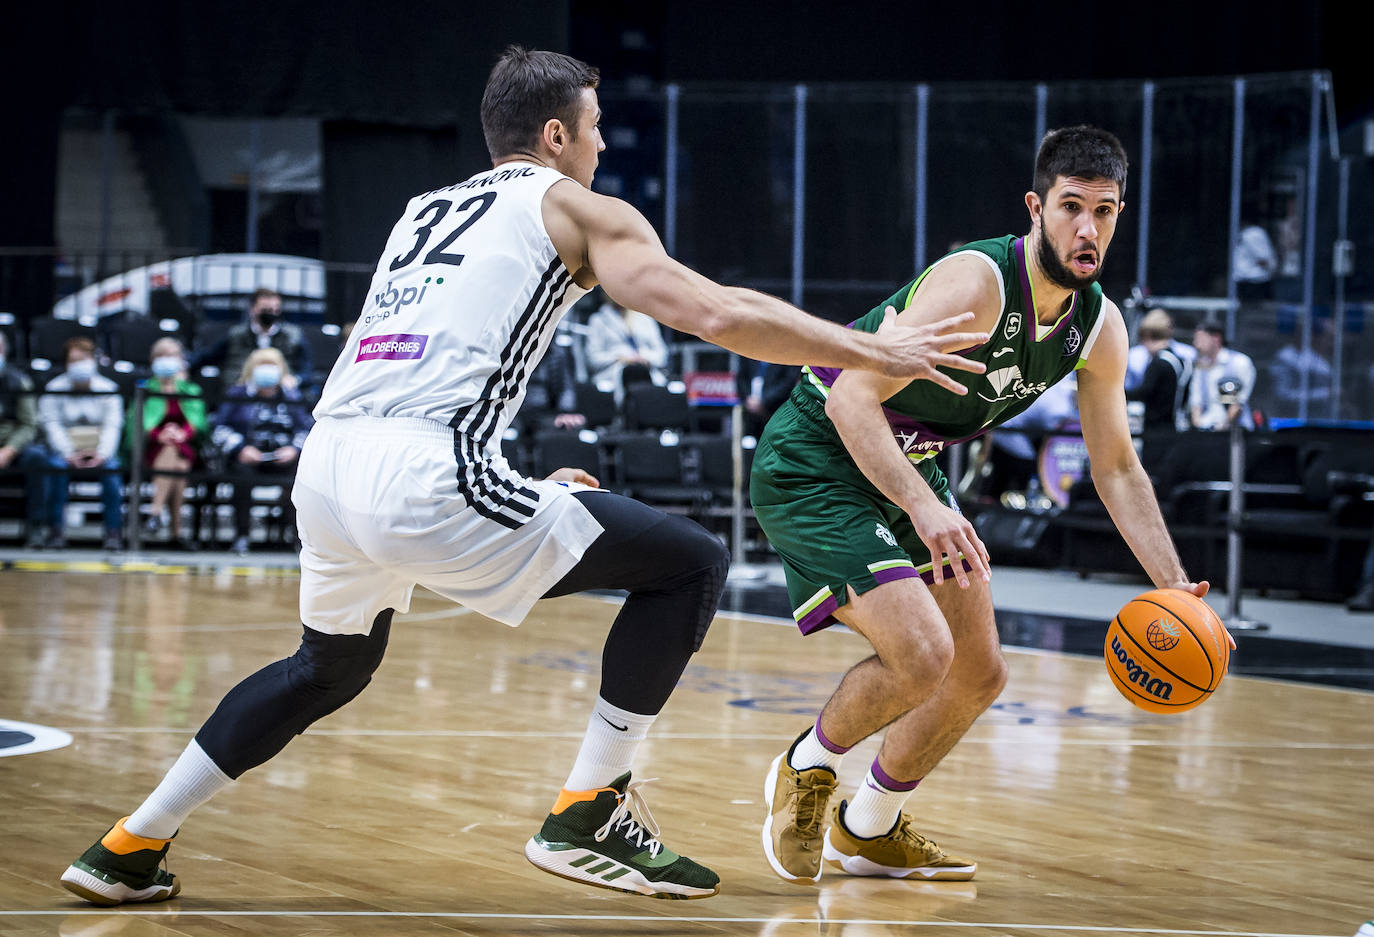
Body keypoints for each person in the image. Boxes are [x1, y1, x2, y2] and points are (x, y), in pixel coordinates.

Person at [60, 46, 986, 906]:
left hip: (332, 462)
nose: (601, 142)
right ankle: (587, 811)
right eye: (592, 126)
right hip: (423, 471)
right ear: (554, 137)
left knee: (325, 666)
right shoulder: (579, 208)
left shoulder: (423, 210)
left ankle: (131, 844)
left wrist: (510, 476)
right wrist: (870, 344)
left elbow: (418, 369)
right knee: (691, 562)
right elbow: (714, 311)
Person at [750, 125, 1230, 885]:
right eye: (1071, 207)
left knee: (978, 671)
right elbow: (851, 401)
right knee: (923, 652)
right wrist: (927, 506)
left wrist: (1174, 583)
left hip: (913, 462)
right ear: (1036, 207)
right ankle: (804, 769)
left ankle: (866, 826)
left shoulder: (1099, 327)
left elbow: (1116, 466)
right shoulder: (974, 283)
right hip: (819, 452)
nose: (1087, 228)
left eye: (1104, 212)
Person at [210, 347, 313, 555]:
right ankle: (242, 536)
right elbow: (218, 427)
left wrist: (294, 449)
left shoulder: (291, 396)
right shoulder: (238, 394)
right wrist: (240, 448)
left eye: (272, 365)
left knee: (301, 477)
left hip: (284, 457)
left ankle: (297, 539)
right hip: (248, 457)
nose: (267, 371)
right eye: (262, 365)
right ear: (252, 369)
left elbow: (307, 427)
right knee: (241, 476)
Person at [36, 337, 125, 551]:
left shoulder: (109, 388)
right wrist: (68, 453)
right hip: (65, 451)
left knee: (113, 471)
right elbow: (52, 425)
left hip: (100, 451)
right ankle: (55, 530)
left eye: (84, 359)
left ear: (94, 361)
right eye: (75, 360)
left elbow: (113, 426)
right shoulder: (54, 388)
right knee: (56, 468)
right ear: (66, 363)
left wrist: (102, 454)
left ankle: (113, 533)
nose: (80, 365)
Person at [128, 337, 207, 548]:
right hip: (152, 446)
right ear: (153, 360)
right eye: (161, 356)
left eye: (171, 355)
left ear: (181, 360)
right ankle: (175, 533)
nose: (166, 360)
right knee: (176, 460)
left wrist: (182, 433)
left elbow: (198, 421)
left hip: (184, 444)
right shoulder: (145, 388)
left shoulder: (190, 390)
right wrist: (158, 434)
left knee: (177, 456)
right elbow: (136, 422)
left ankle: (155, 512)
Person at [193, 288, 313, 391]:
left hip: (280, 392)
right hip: (242, 393)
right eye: (265, 310)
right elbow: (208, 356)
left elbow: (306, 370)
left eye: (274, 310)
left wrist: (296, 380)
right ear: (252, 309)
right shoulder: (236, 335)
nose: (270, 314)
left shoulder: (293, 336)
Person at [0, 330, 46, 546]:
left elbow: (29, 424)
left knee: (37, 458)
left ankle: (35, 526)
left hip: (13, 445)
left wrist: (9, 450)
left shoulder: (19, 381)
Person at [585, 293, 670, 397]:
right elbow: (593, 359)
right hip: (614, 375)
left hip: (646, 371)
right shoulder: (598, 320)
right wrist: (619, 357)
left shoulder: (646, 319)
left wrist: (643, 357)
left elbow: (662, 355)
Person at [1125, 309, 1192, 432]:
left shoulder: (1158, 363)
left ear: (1146, 336)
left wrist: (1119, 393)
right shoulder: (1180, 361)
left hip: (1156, 427)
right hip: (1175, 425)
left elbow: (1145, 392)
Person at [1188, 319, 1256, 430]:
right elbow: (1196, 402)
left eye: (1200, 339)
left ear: (1216, 338)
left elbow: (1238, 403)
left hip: (1235, 431)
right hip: (1205, 428)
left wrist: (1221, 428)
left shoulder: (1239, 363)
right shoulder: (1201, 367)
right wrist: (1198, 426)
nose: (1196, 344)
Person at [1268, 316, 1334, 421]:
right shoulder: (1285, 357)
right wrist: (1325, 394)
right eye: (1328, 338)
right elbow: (1283, 395)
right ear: (1313, 336)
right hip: (1292, 422)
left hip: (1320, 421)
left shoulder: (1321, 359)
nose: (1331, 343)